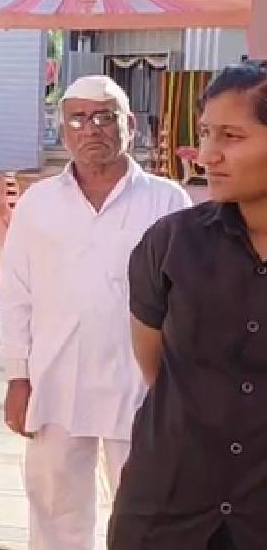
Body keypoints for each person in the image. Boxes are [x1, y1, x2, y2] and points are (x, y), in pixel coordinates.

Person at [0, 75, 191, 550]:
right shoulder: (39, 203)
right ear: (62, 129)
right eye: (78, 119)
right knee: (54, 512)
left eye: (105, 116)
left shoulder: (167, 201)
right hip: (57, 380)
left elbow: (190, 298)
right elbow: (16, 294)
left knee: (147, 513)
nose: (92, 129)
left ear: (130, 125)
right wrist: (17, 378)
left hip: (141, 386)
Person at [109, 60, 267, 550]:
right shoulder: (171, 244)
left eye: (231, 136)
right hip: (167, 508)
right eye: (204, 133)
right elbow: (156, 369)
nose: (207, 155)